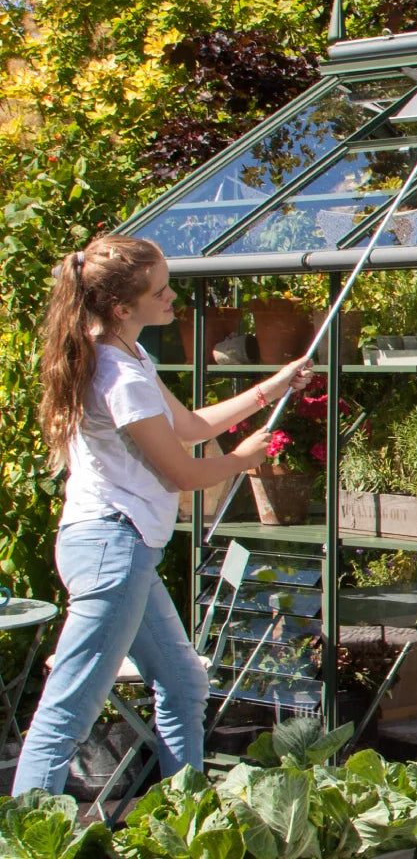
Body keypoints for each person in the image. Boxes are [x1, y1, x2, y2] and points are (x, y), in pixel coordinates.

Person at [13, 235, 313, 796]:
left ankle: (185, 818)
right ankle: (24, 838)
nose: (174, 297)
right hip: (112, 552)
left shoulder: (128, 354)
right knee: (66, 716)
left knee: (181, 684)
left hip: (121, 550)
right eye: (162, 291)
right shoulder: (118, 376)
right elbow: (183, 472)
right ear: (124, 308)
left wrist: (272, 386)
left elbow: (191, 426)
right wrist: (243, 458)